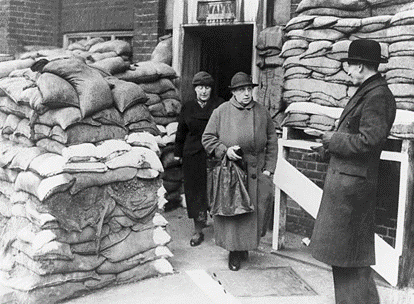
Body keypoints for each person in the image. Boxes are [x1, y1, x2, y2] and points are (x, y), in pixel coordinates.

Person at [310, 39, 396, 304]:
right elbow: (357, 137)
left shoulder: (377, 96)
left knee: (349, 262)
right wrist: (328, 149)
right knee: (348, 261)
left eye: (349, 64)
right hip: (349, 190)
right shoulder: (370, 91)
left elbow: (369, 141)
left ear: (359, 65)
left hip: (353, 195)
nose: (347, 70)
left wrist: (332, 140)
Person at [202, 72, 278, 271]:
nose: (246, 94)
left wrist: (269, 169)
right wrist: (224, 150)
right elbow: (208, 137)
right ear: (234, 92)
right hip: (233, 172)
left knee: (255, 214)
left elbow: (272, 140)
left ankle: (245, 247)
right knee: (235, 214)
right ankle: (234, 252)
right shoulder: (221, 111)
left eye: (249, 89)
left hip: (257, 171)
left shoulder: (261, 112)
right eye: (241, 90)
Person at [174, 71, 224, 247]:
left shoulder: (220, 105)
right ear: (195, 89)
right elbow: (181, 132)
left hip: (213, 155)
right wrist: (178, 153)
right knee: (195, 192)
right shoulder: (187, 107)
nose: (203, 91)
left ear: (211, 89)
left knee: (215, 190)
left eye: (207, 87)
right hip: (192, 156)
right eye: (200, 87)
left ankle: (221, 229)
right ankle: (198, 230)